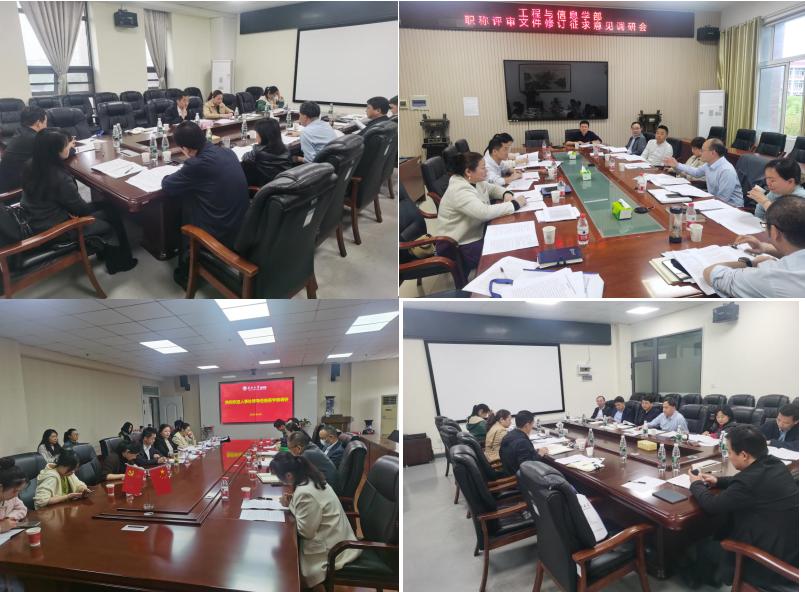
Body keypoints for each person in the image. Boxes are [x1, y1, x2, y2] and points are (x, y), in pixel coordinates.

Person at [686, 425, 798, 589]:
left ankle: (703, 580)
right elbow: (747, 481)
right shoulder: (774, 463)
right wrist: (718, 481)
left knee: (706, 545)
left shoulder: (748, 482)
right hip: (790, 545)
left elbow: (712, 505)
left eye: (729, 452)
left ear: (744, 455)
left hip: (770, 563)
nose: (729, 456)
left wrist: (696, 484)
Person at [20, 128, 138, 274]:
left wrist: (69, 148)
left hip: (35, 220)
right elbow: (81, 211)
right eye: (66, 145)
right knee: (112, 213)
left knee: (107, 207)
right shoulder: (59, 178)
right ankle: (120, 263)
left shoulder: (31, 165)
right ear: (55, 151)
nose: (70, 146)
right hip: (57, 230)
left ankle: (106, 253)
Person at [162, 121, 249, 288]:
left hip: (221, 233)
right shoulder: (227, 151)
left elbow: (168, 186)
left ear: (185, 149)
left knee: (186, 203)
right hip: (241, 223)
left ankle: (187, 271)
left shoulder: (196, 164)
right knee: (193, 194)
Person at [268, 452, 361, 591]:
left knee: (288, 563)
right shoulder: (311, 479)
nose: (280, 481)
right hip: (337, 535)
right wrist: (292, 503)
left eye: (279, 477)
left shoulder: (305, 492)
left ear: (289, 475)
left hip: (334, 549)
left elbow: (306, 532)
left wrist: (291, 506)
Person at [436, 151, 526, 272]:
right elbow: (484, 213)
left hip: (475, 233)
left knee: (509, 238)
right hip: (457, 245)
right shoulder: (459, 189)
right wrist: (514, 204)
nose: (486, 171)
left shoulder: (474, 181)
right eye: (483, 168)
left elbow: (493, 189)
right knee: (503, 251)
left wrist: (506, 193)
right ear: (468, 172)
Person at [703, 196, 805, 297]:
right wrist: (765, 248)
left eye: (765, 225)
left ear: (774, 232)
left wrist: (750, 263)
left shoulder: (771, 277)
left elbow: (711, 273)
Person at [664, 139, 743, 206]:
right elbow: (696, 172)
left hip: (732, 207)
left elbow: (723, 199)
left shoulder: (726, 171)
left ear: (713, 153)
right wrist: (677, 165)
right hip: (715, 201)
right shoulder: (708, 164)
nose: (700, 153)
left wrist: (702, 203)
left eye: (703, 150)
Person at [0, 106, 47, 193]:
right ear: (38, 123)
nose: (46, 126)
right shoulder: (36, 138)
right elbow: (59, 154)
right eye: (45, 123)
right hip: (16, 192)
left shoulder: (20, 131)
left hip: (5, 184)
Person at [240, 118, 292, 186]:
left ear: (263, 135)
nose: (256, 136)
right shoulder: (286, 148)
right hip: (285, 184)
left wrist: (256, 147)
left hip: (267, 188)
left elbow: (244, 157)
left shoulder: (258, 152)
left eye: (257, 133)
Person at [499, 410, 548, 476]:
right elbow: (527, 467)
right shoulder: (522, 442)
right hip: (517, 477)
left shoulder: (509, 435)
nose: (532, 427)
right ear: (527, 425)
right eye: (532, 424)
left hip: (509, 470)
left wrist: (535, 452)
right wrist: (539, 454)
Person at [0, 457, 28, 532]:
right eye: (15, 491)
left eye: (19, 491)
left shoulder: (12, 498)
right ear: (1, 488)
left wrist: (9, 518)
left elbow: (22, 508)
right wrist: (1, 527)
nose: (16, 495)